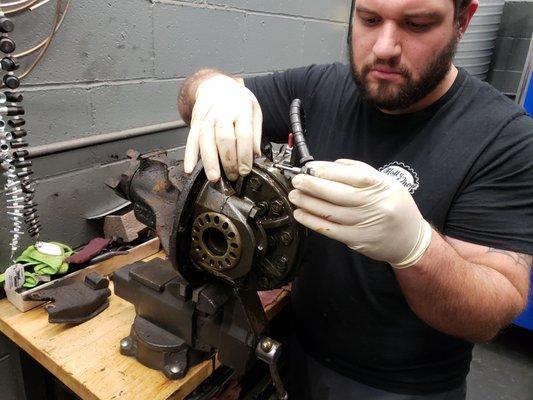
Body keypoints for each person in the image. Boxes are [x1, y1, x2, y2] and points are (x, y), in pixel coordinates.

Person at [177, 0, 533, 398]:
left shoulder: (505, 140)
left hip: (400, 388)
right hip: (295, 352)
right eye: (369, 19)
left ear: (463, 21)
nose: (384, 46)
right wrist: (212, 88)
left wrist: (417, 248)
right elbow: (193, 93)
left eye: (416, 24)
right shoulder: (319, 88)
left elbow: (491, 312)